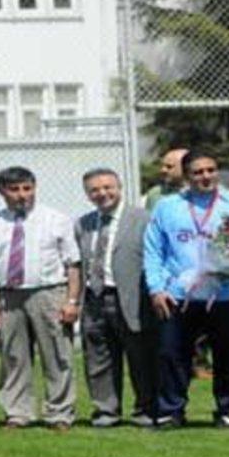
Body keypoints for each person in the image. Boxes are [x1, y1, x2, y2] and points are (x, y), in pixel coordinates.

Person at [144, 148, 229, 428]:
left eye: (210, 170)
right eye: (198, 172)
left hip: (224, 294)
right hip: (178, 295)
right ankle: (171, 411)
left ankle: (226, 410)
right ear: (186, 176)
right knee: (172, 354)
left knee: (227, 355)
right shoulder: (167, 207)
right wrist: (156, 288)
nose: (206, 176)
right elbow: (153, 250)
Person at [0, 167, 80, 431]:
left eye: (27, 188)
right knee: (13, 356)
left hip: (48, 291)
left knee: (57, 354)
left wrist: (72, 301)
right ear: (2, 191)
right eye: (15, 190)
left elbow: (73, 264)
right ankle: (18, 412)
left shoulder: (56, 219)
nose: (22, 195)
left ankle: (59, 413)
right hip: (8, 296)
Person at [75, 169, 157, 428]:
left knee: (141, 357)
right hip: (94, 298)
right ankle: (106, 410)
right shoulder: (83, 224)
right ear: (88, 194)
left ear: (119, 187)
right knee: (98, 357)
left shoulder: (143, 219)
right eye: (95, 190)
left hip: (131, 297)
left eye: (108, 187)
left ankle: (146, 409)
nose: (102, 193)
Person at [143, 147, 189, 212]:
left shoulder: (198, 193)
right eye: (162, 166)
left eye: (169, 167)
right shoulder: (155, 194)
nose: (163, 170)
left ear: (185, 167)